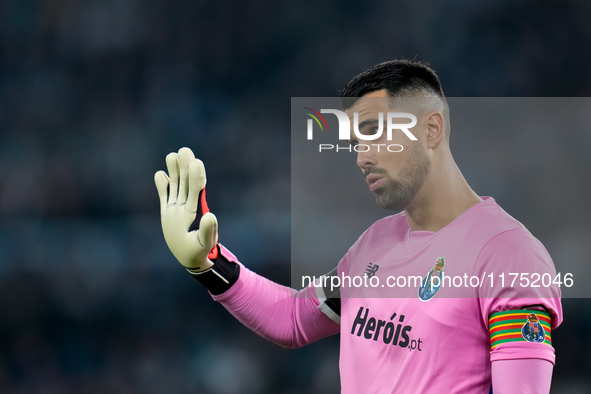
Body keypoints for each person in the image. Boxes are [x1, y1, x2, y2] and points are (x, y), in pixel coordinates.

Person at [154, 60, 562, 393]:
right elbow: (295, 319)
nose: (361, 157)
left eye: (374, 134)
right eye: (356, 144)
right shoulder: (374, 245)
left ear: (431, 129)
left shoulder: (507, 254)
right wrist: (208, 264)